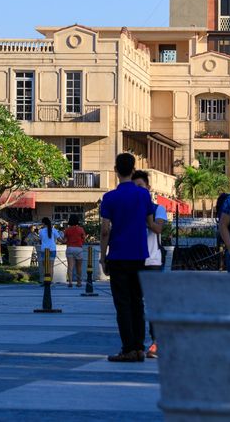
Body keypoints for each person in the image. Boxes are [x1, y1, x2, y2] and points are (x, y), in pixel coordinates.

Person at [99, 152, 163, 363]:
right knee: (137, 302)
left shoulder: (109, 198)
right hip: (139, 255)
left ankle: (128, 348)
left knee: (122, 303)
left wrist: (102, 257)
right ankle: (139, 347)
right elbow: (150, 223)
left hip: (118, 255)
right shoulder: (143, 195)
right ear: (133, 170)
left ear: (116, 171)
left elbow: (105, 230)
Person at [134, 170, 167, 359]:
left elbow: (158, 228)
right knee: (135, 304)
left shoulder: (157, 209)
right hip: (133, 260)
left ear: (148, 188)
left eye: (141, 186)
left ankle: (156, 342)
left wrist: (145, 217)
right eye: (135, 187)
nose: (138, 190)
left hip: (152, 261)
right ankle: (136, 343)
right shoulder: (129, 210)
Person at [63, 214, 86, 288]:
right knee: (79, 267)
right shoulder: (81, 229)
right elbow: (84, 239)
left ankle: (70, 282)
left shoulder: (67, 230)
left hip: (70, 248)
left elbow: (65, 240)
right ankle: (79, 282)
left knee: (70, 266)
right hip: (79, 249)